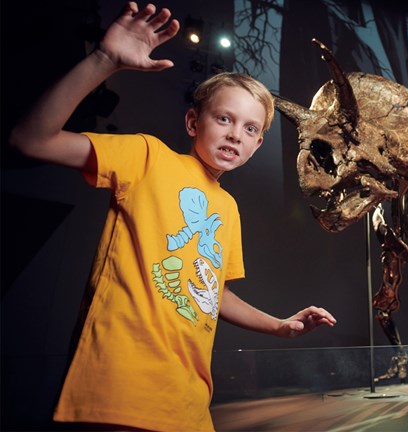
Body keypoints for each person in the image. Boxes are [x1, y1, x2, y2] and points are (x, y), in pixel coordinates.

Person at [9, 2, 336, 431]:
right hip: (122, 386)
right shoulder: (147, 156)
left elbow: (211, 292)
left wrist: (279, 327)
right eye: (224, 118)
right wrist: (104, 61)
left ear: (257, 146)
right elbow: (31, 140)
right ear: (192, 121)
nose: (237, 133)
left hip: (188, 403)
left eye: (251, 128)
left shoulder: (227, 208)